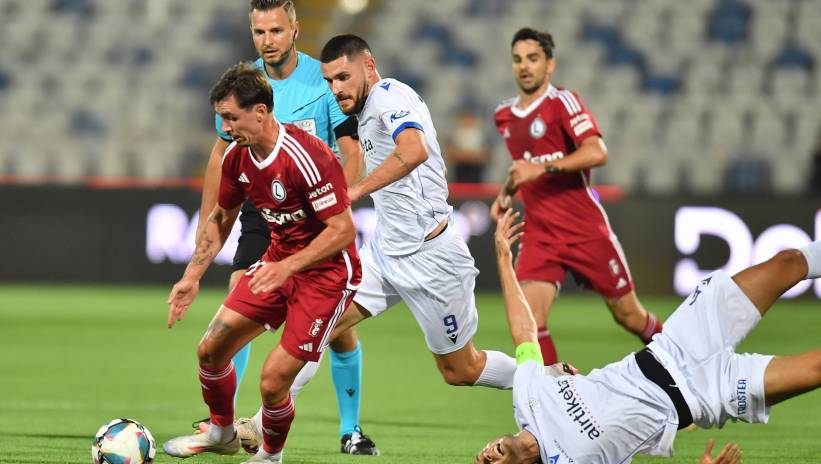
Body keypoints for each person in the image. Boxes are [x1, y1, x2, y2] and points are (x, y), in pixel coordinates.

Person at [477, 208, 821, 463]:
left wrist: (504, 261)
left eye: (481, 461)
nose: (487, 458)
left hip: (676, 343)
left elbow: (525, 333)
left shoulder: (526, 394)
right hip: (705, 396)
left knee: (787, 263)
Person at [195, 0, 376, 455]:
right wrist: (207, 220)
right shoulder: (244, 85)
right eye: (259, 32)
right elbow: (221, 156)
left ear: (295, 28)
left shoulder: (324, 78)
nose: (268, 41)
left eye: (276, 30)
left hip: (316, 206)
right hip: (263, 210)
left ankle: (350, 428)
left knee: (340, 329)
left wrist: (344, 201)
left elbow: (350, 148)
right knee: (240, 297)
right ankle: (230, 422)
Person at [163, 62, 360, 464]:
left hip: (327, 278)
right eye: (221, 118)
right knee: (210, 349)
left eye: (231, 117)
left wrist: (288, 268)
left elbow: (342, 231)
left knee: (272, 382)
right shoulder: (237, 159)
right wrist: (192, 276)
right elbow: (222, 218)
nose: (225, 127)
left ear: (261, 112)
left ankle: (270, 456)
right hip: (277, 264)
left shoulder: (308, 157)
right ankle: (221, 432)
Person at [492, 27, 663, 366]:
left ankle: (687, 380)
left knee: (629, 315)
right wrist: (506, 191)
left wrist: (540, 170)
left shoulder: (562, 103)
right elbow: (523, 164)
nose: (524, 66)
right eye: (517, 59)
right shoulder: (504, 115)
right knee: (531, 318)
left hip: (584, 229)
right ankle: (556, 403)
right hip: (541, 233)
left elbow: (597, 151)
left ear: (550, 65)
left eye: (533, 58)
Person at [445, 109, 490, 183]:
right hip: (459, 176)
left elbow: (485, 156)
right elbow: (450, 155)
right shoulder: (454, 136)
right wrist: (471, 156)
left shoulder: (481, 136)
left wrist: (463, 155)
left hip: (476, 176)